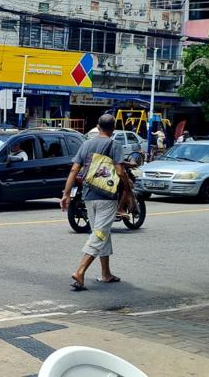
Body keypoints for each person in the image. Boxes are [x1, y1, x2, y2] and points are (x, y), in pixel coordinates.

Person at [61, 114, 126, 291]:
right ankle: (80, 271)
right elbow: (120, 172)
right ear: (113, 129)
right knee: (99, 234)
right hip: (107, 197)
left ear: (98, 127)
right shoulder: (115, 145)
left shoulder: (87, 144)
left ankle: (106, 274)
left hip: (89, 196)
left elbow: (75, 169)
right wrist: (128, 189)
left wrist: (66, 193)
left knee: (102, 232)